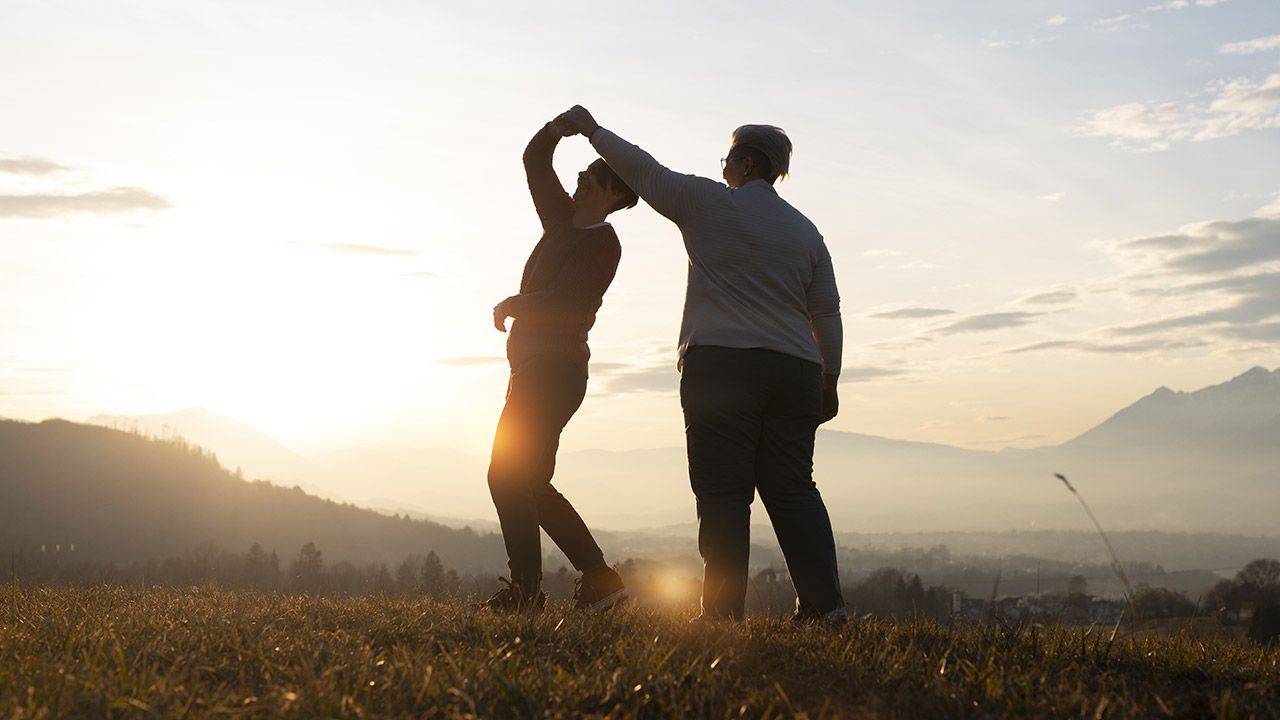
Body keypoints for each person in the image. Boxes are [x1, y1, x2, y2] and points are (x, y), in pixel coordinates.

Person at [562, 105, 846, 623]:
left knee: (722, 493)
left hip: (721, 366)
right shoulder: (807, 232)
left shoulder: (709, 203)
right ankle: (825, 609)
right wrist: (831, 376)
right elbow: (825, 311)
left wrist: (592, 130)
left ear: (742, 163)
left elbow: (644, 171)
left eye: (727, 158)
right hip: (797, 371)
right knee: (793, 490)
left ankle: (721, 616)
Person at [484, 114, 638, 612]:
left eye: (591, 176)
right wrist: (559, 128)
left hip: (555, 370)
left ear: (612, 194)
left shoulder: (603, 244)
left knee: (506, 475)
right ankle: (601, 579)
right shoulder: (558, 221)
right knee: (527, 480)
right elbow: (534, 160)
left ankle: (527, 593)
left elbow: (563, 300)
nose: (580, 178)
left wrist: (513, 304)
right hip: (531, 369)